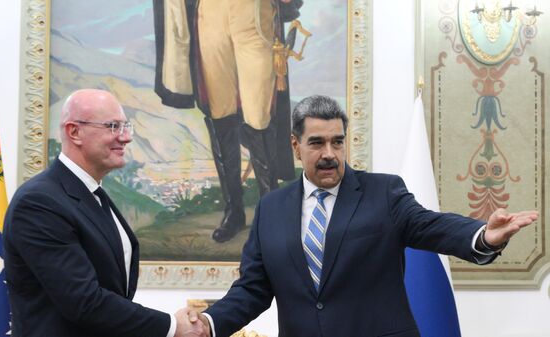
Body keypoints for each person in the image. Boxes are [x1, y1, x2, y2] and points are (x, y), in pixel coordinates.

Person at [192, 95, 538, 336]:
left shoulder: (383, 194)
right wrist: (210, 322)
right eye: (317, 143)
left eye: (337, 142)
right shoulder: (271, 207)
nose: (330, 154)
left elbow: (430, 225)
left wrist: (482, 236)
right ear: (295, 146)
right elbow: (253, 288)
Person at [3, 89, 207, 337]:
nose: (126, 137)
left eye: (125, 126)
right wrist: (172, 327)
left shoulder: (91, 194)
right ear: (74, 132)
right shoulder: (39, 203)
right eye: (113, 126)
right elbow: (84, 301)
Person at [153, 0, 303, 242]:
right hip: (209, 16)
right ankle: (233, 211)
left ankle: (270, 211)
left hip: (253, 14)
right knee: (220, 115)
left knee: (259, 117)